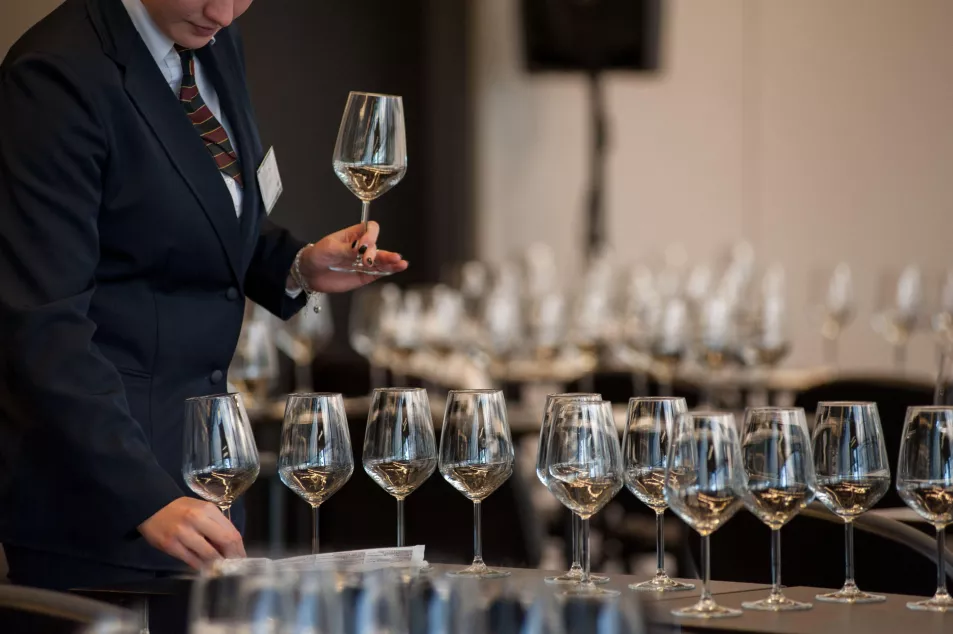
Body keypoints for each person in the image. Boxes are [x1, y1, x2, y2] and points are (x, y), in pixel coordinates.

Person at [0, 0, 407, 590]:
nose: (223, 11)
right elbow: (40, 325)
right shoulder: (55, 76)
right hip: (106, 500)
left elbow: (193, 211)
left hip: (207, 483)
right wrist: (145, 496)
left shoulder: (209, 35)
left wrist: (294, 264)